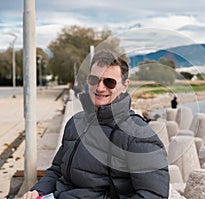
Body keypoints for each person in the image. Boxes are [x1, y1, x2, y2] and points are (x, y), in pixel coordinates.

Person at [21, 50, 170, 199]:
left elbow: (153, 194)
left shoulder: (138, 134)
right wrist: (38, 191)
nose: (99, 88)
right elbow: (57, 171)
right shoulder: (75, 123)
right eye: (94, 80)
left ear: (125, 86)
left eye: (109, 82)